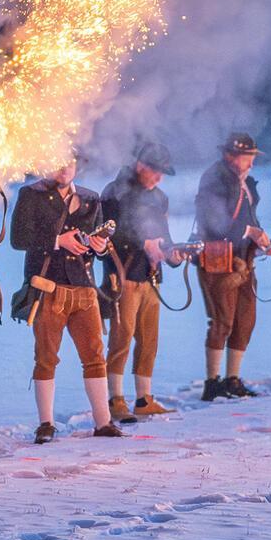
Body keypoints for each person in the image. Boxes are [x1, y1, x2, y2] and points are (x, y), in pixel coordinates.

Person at [12, 158, 122, 443]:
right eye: (59, 162)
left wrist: (99, 246)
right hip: (48, 286)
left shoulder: (89, 197)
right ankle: (46, 424)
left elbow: (95, 244)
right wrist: (57, 240)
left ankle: (103, 422)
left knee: (95, 357)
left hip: (84, 287)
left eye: (70, 162)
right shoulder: (31, 194)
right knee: (46, 358)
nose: (65, 168)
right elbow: (18, 237)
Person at [99, 141, 180, 421]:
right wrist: (143, 243)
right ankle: (115, 399)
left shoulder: (159, 197)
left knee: (149, 340)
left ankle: (144, 399)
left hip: (150, 277)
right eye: (155, 171)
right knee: (121, 338)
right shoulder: (115, 193)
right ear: (140, 166)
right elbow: (107, 236)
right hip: (123, 276)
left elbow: (164, 234)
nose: (159, 178)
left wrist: (173, 254)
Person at [196, 133, 271, 401]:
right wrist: (251, 231)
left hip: (244, 260)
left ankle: (232, 379)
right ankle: (212, 382)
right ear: (230, 155)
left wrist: (260, 240)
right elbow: (215, 222)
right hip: (220, 261)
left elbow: (247, 219)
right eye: (246, 157)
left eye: (252, 157)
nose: (251, 162)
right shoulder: (214, 179)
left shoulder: (245, 183)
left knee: (245, 321)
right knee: (222, 321)